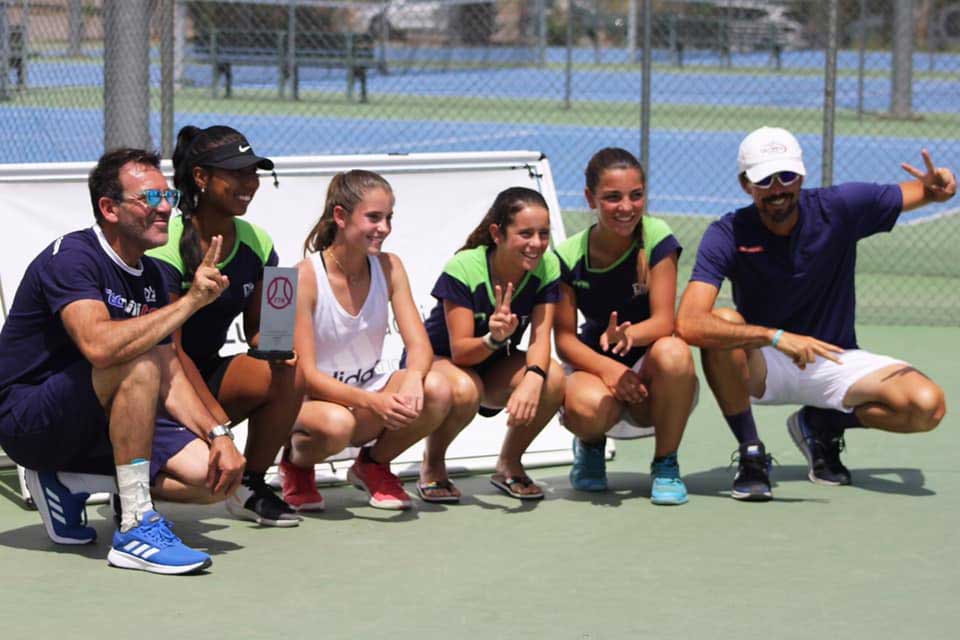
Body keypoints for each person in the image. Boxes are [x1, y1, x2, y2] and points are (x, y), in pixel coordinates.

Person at [0, 148, 246, 574]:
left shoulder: (156, 276)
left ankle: (68, 482)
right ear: (109, 208)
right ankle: (135, 524)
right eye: (150, 198)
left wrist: (219, 433)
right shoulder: (72, 257)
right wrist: (190, 304)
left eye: (167, 195)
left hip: (103, 417)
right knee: (138, 361)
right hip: (30, 419)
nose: (166, 206)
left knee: (214, 479)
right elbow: (100, 347)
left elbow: (171, 372)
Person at [676, 126, 952, 501]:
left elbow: (928, 192)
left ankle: (822, 423)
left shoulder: (840, 207)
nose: (778, 189)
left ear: (801, 176)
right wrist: (774, 337)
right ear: (746, 185)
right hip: (763, 365)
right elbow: (689, 322)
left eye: (786, 176)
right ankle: (751, 453)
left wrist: (941, 188)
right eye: (764, 179)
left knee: (927, 406)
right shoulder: (727, 233)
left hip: (835, 360)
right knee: (721, 323)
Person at [148, 125, 302, 527]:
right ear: (201, 177)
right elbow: (171, 352)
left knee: (286, 371)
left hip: (206, 375)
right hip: (155, 385)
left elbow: (259, 331)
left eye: (253, 172)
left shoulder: (259, 243)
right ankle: (129, 488)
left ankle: (252, 484)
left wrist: (277, 343)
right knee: (206, 476)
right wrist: (219, 427)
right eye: (236, 172)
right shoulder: (166, 244)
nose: (248, 183)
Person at [282, 170, 452, 511]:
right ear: (341, 216)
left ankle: (372, 465)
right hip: (313, 406)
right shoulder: (304, 276)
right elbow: (308, 376)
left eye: (389, 218)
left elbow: (419, 347)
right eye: (374, 217)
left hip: (366, 398)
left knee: (438, 388)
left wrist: (415, 380)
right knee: (337, 424)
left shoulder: (391, 267)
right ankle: (296, 466)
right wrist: (373, 403)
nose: (385, 228)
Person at [553, 148, 697, 505]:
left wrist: (630, 335)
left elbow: (665, 321)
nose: (626, 207)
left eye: (636, 195)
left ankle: (666, 464)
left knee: (676, 352)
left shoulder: (657, 237)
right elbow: (565, 341)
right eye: (612, 197)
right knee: (586, 409)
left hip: (651, 370)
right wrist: (611, 370)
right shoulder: (567, 256)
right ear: (590, 199)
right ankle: (590, 445)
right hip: (596, 367)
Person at [417, 187, 565, 502]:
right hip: (443, 361)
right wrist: (493, 337)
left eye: (543, 233)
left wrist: (533, 378)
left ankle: (509, 464)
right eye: (526, 233)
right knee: (464, 388)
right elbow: (461, 352)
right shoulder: (464, 267)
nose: (537, 244)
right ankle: (433, 463)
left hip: (494, 363)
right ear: (497, 233)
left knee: (552, 377)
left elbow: (541, 337)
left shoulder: (547, 266)